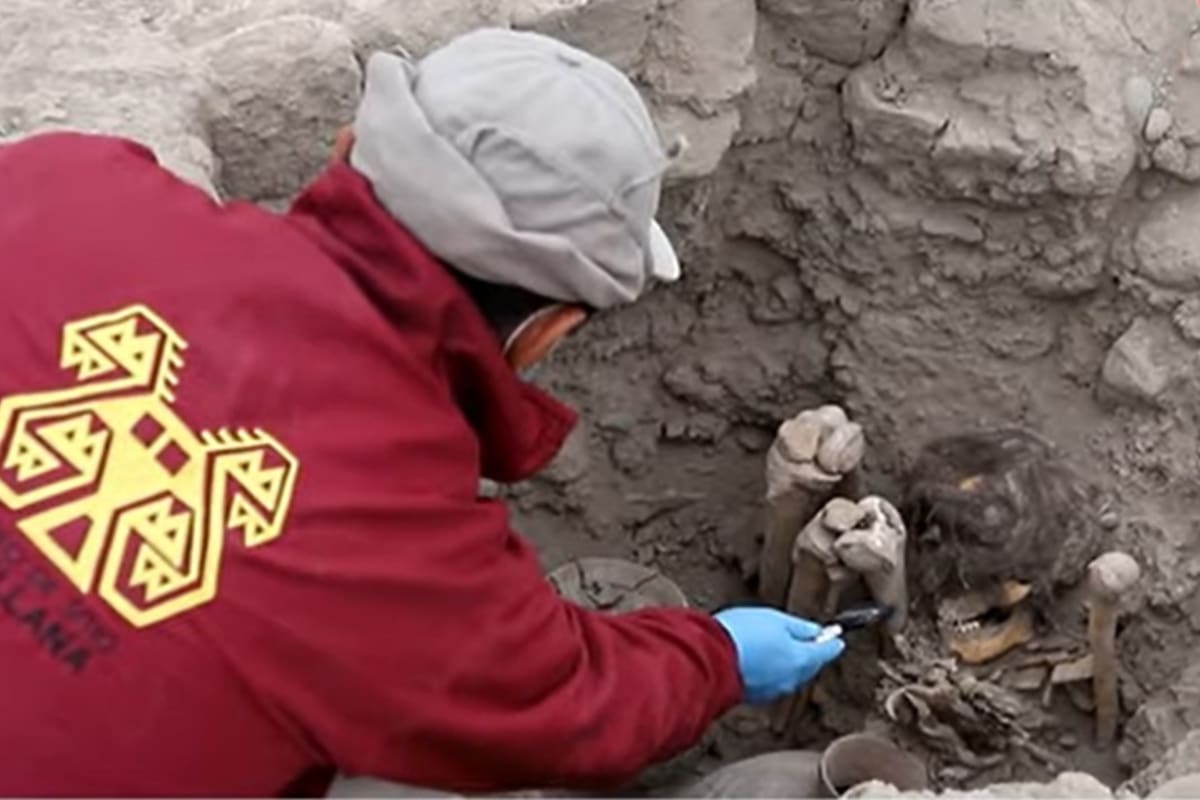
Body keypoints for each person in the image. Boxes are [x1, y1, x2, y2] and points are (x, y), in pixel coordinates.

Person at [0, 27, 844, 796]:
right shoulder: (401, 550)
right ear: (547, 332)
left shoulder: (64, 184)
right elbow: (574, 706)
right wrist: (722, 656)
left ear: (346, 149)